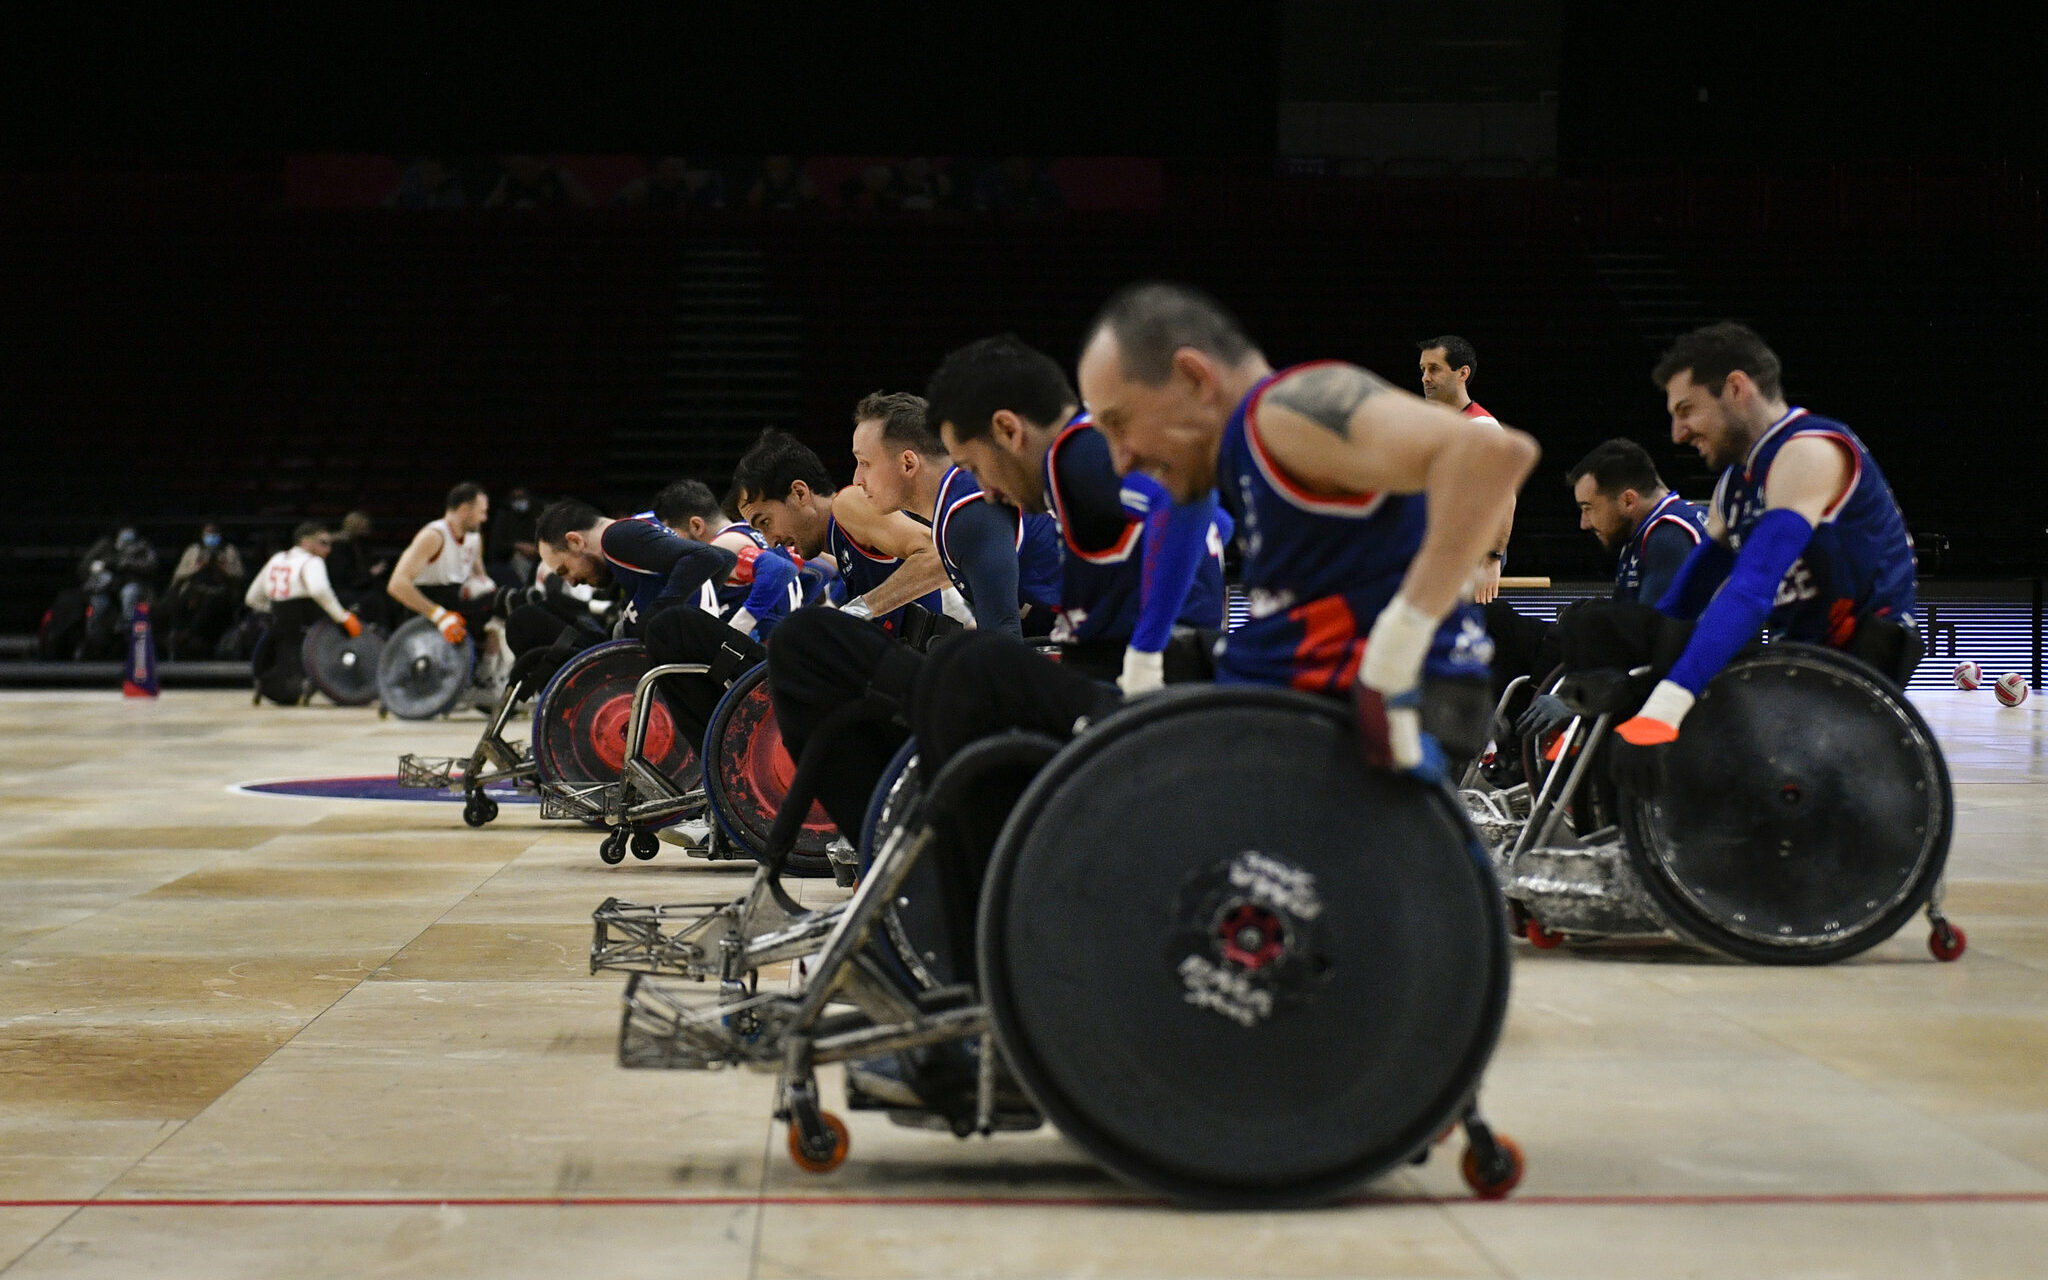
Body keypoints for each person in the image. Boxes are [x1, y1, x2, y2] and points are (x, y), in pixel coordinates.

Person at [1584, 323, 1920, 795]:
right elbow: (1681, 604)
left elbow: (1752, 586)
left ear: (1737, 389)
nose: (1677, 434)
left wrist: (1667, 705)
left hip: (1864, 654)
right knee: (1602, 633)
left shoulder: (1808, 450)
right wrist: (1626, 677)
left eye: (1686, 410)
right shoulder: (1734, 485)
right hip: (1799, 656)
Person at [1497, 441, 1709, 740]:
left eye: (1588, 508)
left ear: (1628, 500)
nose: (1584, 523)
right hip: (1634, 666)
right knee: (1501, 620)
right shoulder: (1648, 531)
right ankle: (1511, 744)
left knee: (1567, 627)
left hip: (1666, 685)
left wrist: (1575, 698)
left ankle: (1518, 744)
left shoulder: (1668, 537)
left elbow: (1655, 648)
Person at [535, 500, 741, 757]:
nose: (572, 582)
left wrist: (659, 614)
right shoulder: (633, 534)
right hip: (685, 657)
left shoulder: (617, 537)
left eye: (565, 569)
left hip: (682, 664)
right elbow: (723, 558)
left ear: (576, 541)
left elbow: (708, 557)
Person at [850, 391, 1061, 637]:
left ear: (908, 463)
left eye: (864, 462)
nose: (857, 479)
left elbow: (1003, 639)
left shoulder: (968, 513)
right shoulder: (958, 501)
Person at [733, 428, 959, 639]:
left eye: (766, 522)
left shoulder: (847, 504)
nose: (771, 541)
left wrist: (859, 609)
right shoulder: (839, 544)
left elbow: (941, 556)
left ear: (799, 493)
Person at [1418, 335, 1514, 603]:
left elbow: (1505, 499)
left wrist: (1492, 559)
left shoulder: (1482, 429)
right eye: (1423, 369)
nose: (1425, 377)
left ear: (1462, 373)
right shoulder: (1431, 425)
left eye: (1434, 369)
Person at [245, 522, 363, 704]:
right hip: (305, 618)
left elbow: (252, 598)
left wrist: (275, 610)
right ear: (306, 542)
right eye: (323, 542)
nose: (328, 549)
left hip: (279, 619)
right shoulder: (312, 561)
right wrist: (343, 617)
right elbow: (319, 591)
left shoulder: (276, 559)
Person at [386, 483, 499, 648]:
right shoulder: (434, 535)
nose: (484, 518)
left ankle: (488, 668)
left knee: (500, 606)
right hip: (425, 603)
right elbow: (396, 585)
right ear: (464, 510)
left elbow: (481, 577)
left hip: (456, 599)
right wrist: (439, 615)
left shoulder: (474, 537)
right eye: (481, 512)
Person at [164, 521, 246, 659]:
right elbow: (179, 574)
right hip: (195, 589)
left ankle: (189, 635)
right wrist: (198, 567)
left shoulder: (229, 550)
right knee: (178, 602)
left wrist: (223, 568)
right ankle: (177, 639)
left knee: (208, 605)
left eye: (214, 533)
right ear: (202, 535)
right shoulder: (193, 550)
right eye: (208, 533)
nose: (211, 537)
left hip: (220, 592)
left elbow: (240, 574)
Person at [486, 486, 540, 588]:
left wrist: (535, 550)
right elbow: (497, 546)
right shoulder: (504, 517)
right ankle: (524, 593)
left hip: (536, 558)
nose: (520, 501)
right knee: (519, 560)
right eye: (517, 498)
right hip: (509, 560)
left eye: (522, 498)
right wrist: (517, 546)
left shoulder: (536, 515)